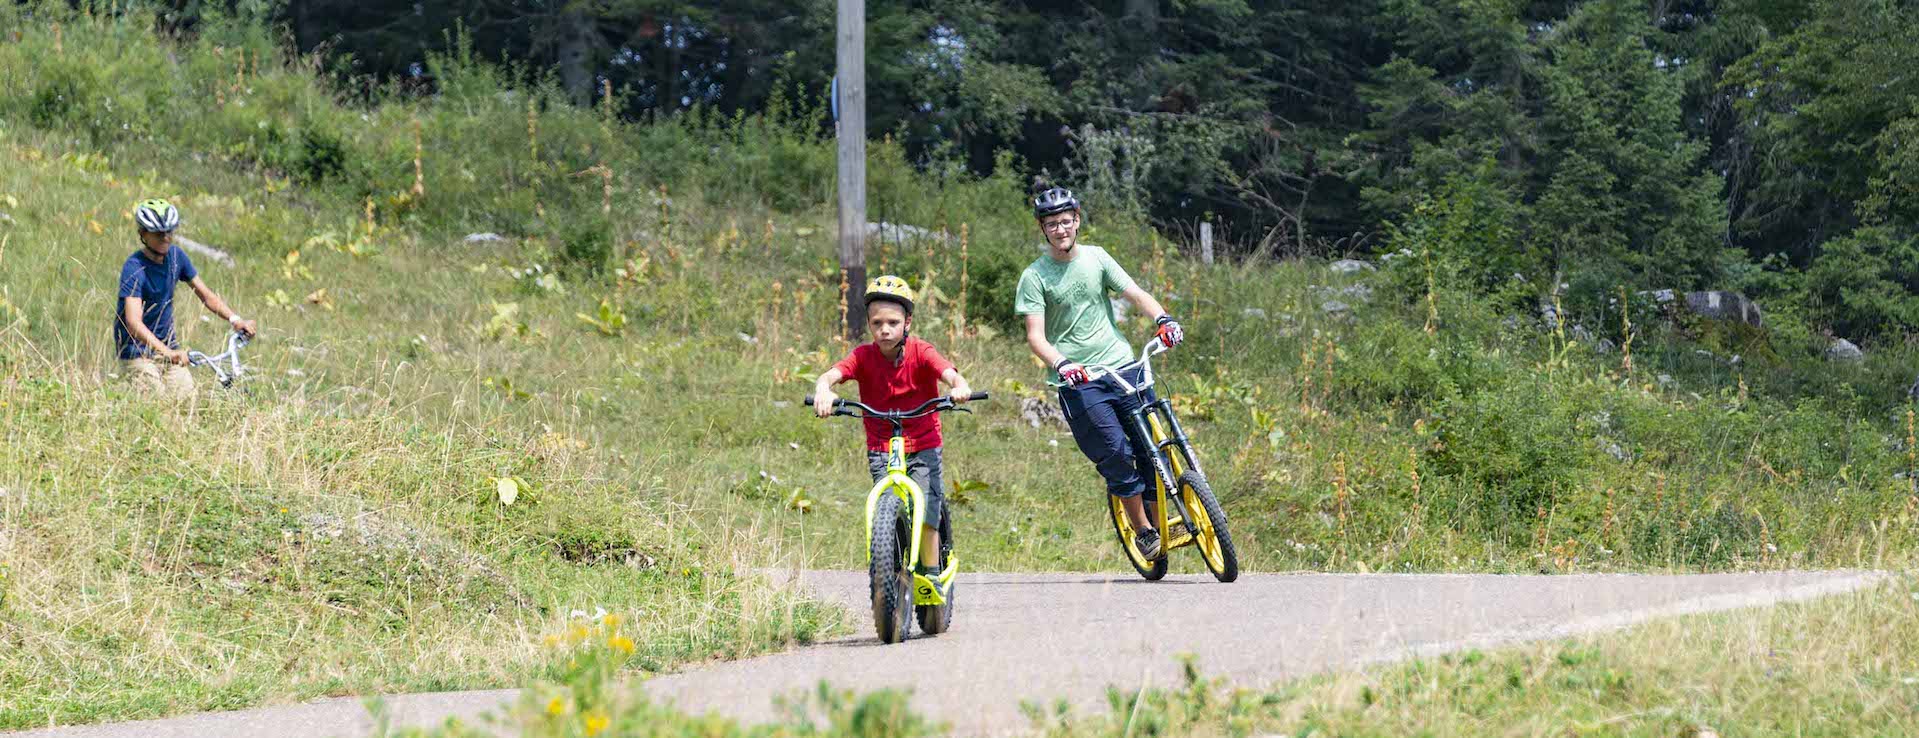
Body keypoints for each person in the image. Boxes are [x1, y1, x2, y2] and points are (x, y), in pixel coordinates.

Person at [1014, 186, 1184, 560]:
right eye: (1051, 224)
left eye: (1065, 221)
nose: (1059, 230)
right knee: (1117, 454)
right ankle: (1143, 533)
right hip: (1080, 381)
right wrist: (1062, 363)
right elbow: (1035, 337)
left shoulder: (1097, 258)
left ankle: (1166, 523)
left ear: (1077, 220)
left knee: (1153, 449)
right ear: (1043, 229)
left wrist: (1163, 319)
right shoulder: (1035, 276)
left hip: (1124, 365)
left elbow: (1136, 294)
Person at [813, 276, 975, 578]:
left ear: (907, 322)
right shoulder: (862, 356)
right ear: (869, 325)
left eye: (892, 322)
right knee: (885, 508)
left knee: (927, 508)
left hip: (923, 443)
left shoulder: (921, 351)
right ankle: (889, 569)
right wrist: (824, 390)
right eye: (877, 323)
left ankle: (930, 576)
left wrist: (959, 385)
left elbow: (948, 373)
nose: (884, 329)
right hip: (881, 447)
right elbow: (830, 375)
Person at [114, 199, 257, 398]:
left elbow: (206, 296)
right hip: (137, 353)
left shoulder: (176, 257)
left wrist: (235, 320)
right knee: (156, 403)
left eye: (169, 232)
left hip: (169, 351)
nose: (165, 238)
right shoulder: (134, 267)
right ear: (143, 234)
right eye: (158, 234)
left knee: (188, 401)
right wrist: (166, 352)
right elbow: (133, 323)